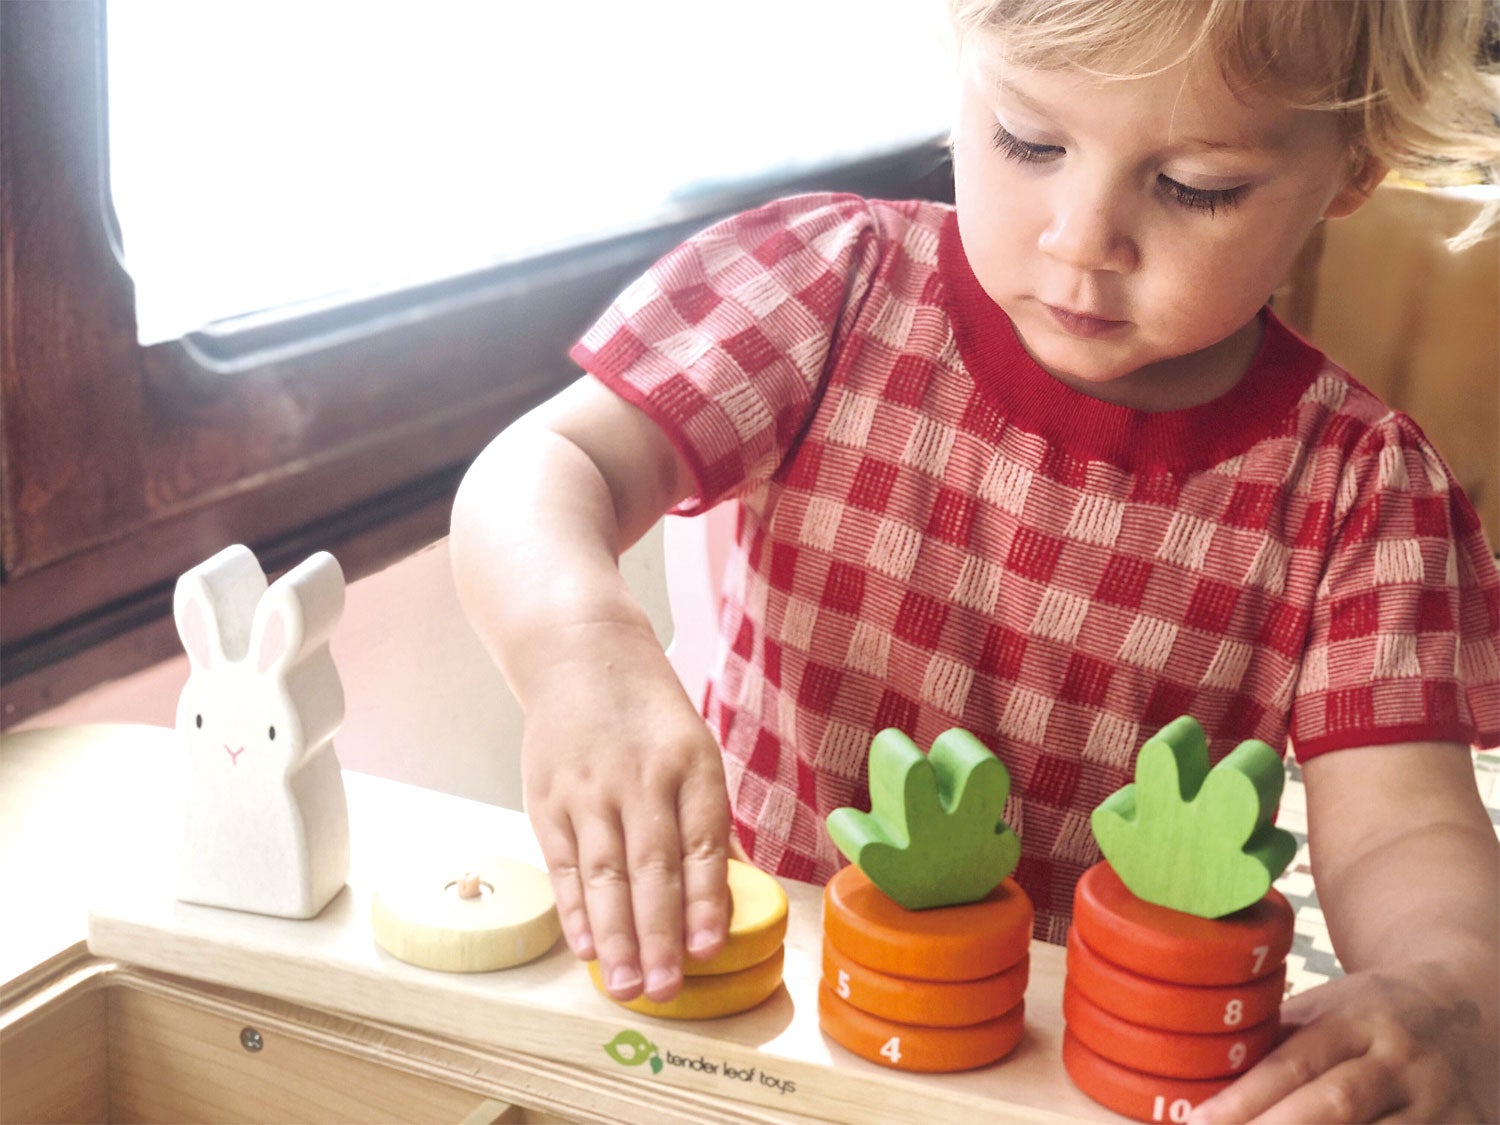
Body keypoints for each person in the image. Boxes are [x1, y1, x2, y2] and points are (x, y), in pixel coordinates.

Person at [450, 1, 1500, 1119]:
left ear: (1355, 165)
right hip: (750, 1017)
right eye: (1029, 141)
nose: (1081, 239)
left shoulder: (1363, 491)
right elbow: (546, 466)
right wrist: (581, 654)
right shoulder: (826, 286)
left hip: (1070, 1079)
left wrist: (1456, 986)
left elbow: (1405, 831)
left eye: (1196, 187)